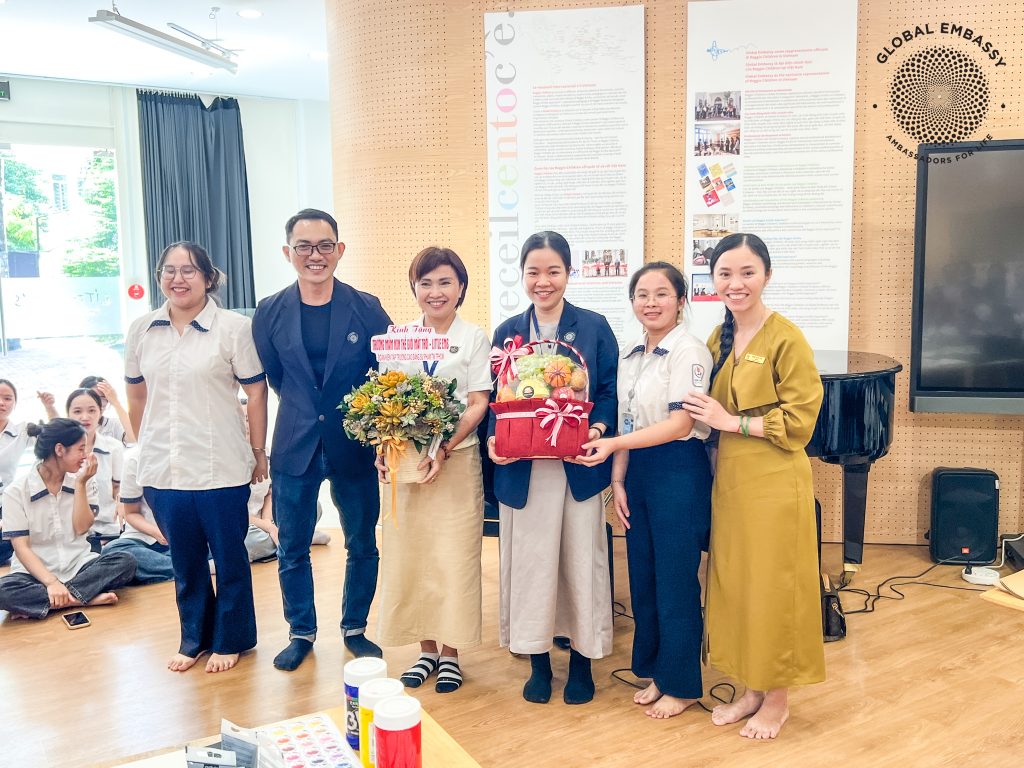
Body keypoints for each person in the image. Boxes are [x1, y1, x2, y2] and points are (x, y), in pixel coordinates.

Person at [682, 233, 825, 740]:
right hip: (733, 482)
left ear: (767, 274)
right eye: (725, 273)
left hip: (774, 480)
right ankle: (751, 689)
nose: (735, 283)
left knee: (773, 590)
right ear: (713, 280)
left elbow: (801, 423)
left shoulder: (786, 337)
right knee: (738, 584)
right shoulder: (720, 338)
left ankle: (778, 699)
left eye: (747, 272)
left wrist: (732, 422)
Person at [252, 208, 391, 671]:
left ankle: (355, 627)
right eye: (305, 246)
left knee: (362, 541)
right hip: (294, 443)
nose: (316, 255)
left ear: (340, 250)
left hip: (353, 441)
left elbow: (383, 377)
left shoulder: (367, 307)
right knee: (291, 545)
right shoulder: (269, 311)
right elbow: (276, 378)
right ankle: (301, 631)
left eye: (325, 245)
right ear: (288, 253)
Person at [487, 230, 619, 705]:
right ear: (521, 275)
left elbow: (607, 392)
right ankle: (537, 660)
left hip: (575, 465)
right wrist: (492, 441)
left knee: (580, 564)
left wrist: (598, 430)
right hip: (524, 469)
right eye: (533, 272)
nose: (543, 282)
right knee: (532, 568)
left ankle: (581, 662)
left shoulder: (593, 326)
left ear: (569, 273)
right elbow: (494, 401)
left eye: (553, 271)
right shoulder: (507, 332)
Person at [125, 241, 268, 674]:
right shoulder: (142, 329)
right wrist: (143, 441)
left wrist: (258, 451)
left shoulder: (233, 328)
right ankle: (194, 639)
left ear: (208, 277)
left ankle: (231, 639)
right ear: (159, 277)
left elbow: (256, 391)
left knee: (229, 558)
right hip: (163, 470)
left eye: (188, 270)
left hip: (219, 465)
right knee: (184, 562)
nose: (177, 279)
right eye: (169, 270)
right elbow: (135, 391)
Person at [579, 262, 713, 719]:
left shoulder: (689, 351)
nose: (650, 303)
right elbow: (627, 420)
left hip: (679, 470)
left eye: (661, 294)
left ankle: (683, 684)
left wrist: (615, 445)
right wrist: (617, 478)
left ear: (680, 300)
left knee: (676, 580)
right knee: (646, 578)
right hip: (637, 470)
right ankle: (658, 671)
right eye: (642, 294)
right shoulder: (632, 353)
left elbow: (681, 423)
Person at [375, 246, 491, 694]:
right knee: (410, 555)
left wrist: (444, 448)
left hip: (456, 462)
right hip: (406, 462)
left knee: (453, 558)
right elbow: (384, 399)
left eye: (445, 282)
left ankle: (452, 654)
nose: (435, 291)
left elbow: (479, 402)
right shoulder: (398, 336)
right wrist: (382, 450)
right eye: (426, 283)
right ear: (414, 289)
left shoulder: (474, 337)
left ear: (461, 287)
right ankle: (425, 651)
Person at [0, 419, 135, 618]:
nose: (86, 455)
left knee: (125, 561)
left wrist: (80, 484)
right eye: (81, 449)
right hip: (34, 574)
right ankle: (82, 598)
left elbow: (82, 528)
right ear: (60, 449)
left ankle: (55, 602)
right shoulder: (15, 492)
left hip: (79, 565)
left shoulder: (84, 481)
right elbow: (22, 548)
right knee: (3, 591)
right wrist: (51, 582)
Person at [0, 380, 58, 566]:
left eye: (7, 398)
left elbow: (56, 436)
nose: (2, 402)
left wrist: (50, 408)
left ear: (15, 403)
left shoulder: (22, 431)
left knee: (8, 543)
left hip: (5, 506)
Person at [100, 445, 175, 584]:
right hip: (144, 540)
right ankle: (193, 569)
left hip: (184, 542)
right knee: (113, 552)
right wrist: (159, 533)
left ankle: (160, 571)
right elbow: (132, 513)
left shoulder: (192, 452)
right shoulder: (135, 458)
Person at [66, 388, 123, 552]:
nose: (85, 417)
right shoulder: (60, 451)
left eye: (92, 410)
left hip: (109, 532)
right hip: (74, 533)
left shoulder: (114, 448)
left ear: (100, 412)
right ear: (68, 414)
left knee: (126, 556)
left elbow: (118, 489)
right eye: (77, 411)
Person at [79, 375, 137, 444]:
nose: (96, 403)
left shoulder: (113, 425)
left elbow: (133, 439)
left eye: (102, 397)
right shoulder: (71, 426)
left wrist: (116, 402)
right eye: (92, 397)